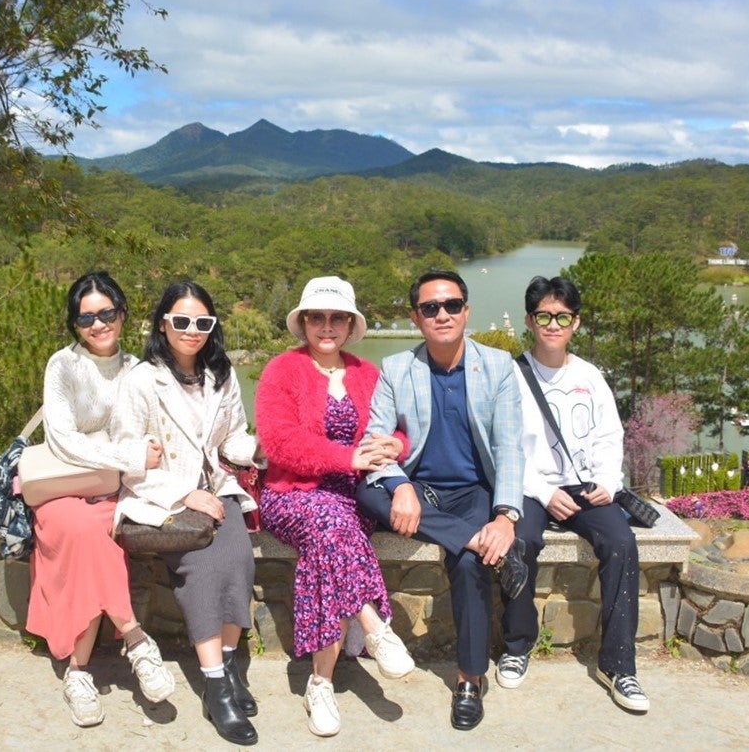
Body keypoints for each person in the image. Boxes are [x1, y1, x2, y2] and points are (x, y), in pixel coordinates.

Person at [355, 269, 526, 732]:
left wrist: (506, 517)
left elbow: (511, 446)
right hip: (418, 491)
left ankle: (470, 679)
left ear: (466, 311)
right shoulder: (397, 368)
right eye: (430, 308)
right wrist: (400, 486)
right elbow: (375, 441)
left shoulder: (498, 366)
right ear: (417, 317)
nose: (442, 314)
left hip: (471, 490)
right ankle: (470, 537)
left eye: (452, 305)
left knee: (471, 564)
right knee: (365, 491)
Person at [255, 276, 414, 738]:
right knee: (330, 524)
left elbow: (401, 430)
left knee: (333, 534)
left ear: (350, 324)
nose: (327, 326)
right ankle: (375, 627)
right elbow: (280, 442)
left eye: (337, 317)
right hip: (293, 494)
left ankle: (319, 684)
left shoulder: (367, 374)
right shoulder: (282, 370)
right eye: (317, 317)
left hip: (354, 496)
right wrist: (345, 456)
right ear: (303, 322)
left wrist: (393, 445)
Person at [111, 281, 262, 746]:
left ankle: (232, 665)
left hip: (219, 489)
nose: (191, 331)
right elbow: (126, 453)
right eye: (181, 321)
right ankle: (215, 686)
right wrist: (183, 493)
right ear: (163, 324)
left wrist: (260, 448)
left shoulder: (221, 373)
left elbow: (232, 436)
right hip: (165, 500)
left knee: (239, 561)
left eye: (202, 322)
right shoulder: (141, 379)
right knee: (200, 570)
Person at [26, 271, 173, 728]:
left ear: (123, 314)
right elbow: (65, 440)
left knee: (94, 533)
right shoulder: (63, 366)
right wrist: (128, 454)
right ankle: (134, 636)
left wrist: (131, 458)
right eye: (86, 317)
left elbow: (155, 433)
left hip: (116, 489)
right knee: (85, 530)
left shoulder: (138, 370)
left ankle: (78, 672)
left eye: (106, 313)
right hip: (63, 488)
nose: (97, 324)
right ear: (75, 324)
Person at [498, 275, 649, 712]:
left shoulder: (589, 376)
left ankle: (620, 665)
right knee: (520, 541)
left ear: (575, 323)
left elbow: (608, 435)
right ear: (529, 320)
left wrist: (608, 481)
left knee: (621, 543)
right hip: (531, 486)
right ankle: (518, 644)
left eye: (562, 316)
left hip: (585, 487)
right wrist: (543, 492)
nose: (552, 324)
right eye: (543, 315)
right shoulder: (512, 375)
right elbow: (501, 447)